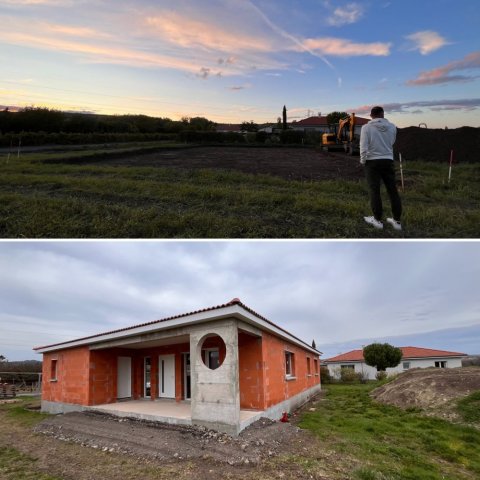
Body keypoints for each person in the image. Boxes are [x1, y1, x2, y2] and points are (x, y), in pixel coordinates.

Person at [360, 106, 402, 231]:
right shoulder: (392, 127)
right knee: (393, 191)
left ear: (371, 115)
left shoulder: (366, 128)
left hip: (372, 162)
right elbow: (392, 142)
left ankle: (377, 220)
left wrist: (363, 161)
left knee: (375, 191)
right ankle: (397, 221)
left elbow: (363, 146)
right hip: (388, 161)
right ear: (383, 114)